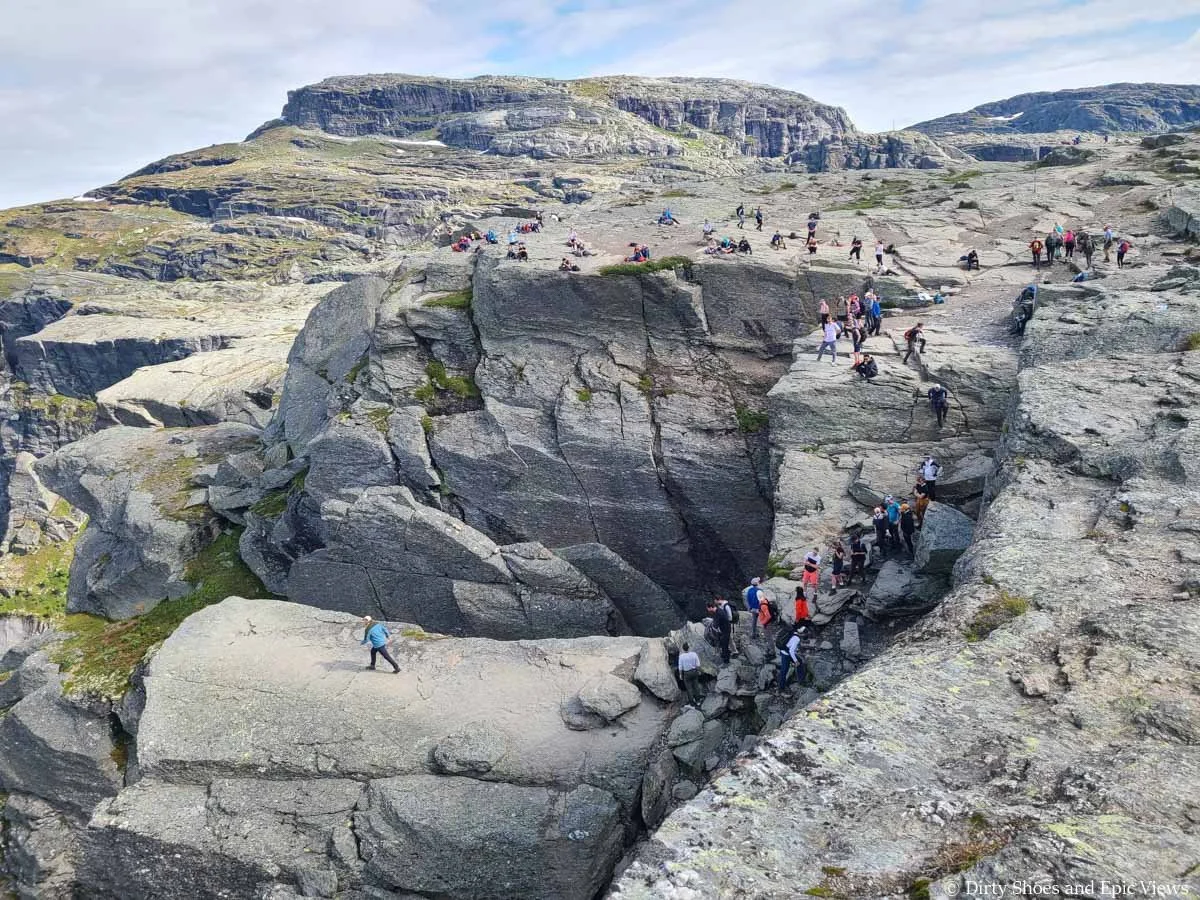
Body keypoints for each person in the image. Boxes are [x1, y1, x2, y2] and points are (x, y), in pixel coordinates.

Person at [776, 622, 804, 691]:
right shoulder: (797, 639)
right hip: (786, 654)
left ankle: (800, 679)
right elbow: (791, 651)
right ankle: (781, 688)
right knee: (784, 670)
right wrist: (795, 661)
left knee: (799, 661)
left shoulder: (793, 633)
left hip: (783, 651)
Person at [677, 642, 703, 706]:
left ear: (683, 649)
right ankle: (698, 701)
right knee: (696, 687)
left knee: (689, 688)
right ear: (689, 648)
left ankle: (692, 702)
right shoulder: (694, 654)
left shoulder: (681, 656)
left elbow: (680, 667)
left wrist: (680, 675)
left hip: (686, 673)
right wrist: (699, 671)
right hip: (694, 672)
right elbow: (698, 665)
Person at [713, 597, 734, 664]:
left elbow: (730, 617)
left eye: (715, 600)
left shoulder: (726, 606)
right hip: (724, 627)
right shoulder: (720, 607)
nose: (715, 602)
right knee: (725, 642)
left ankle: (733, 652)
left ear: (718, 599)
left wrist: (725, 621)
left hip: (727, 627)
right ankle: (727, 652)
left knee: (727, 642)